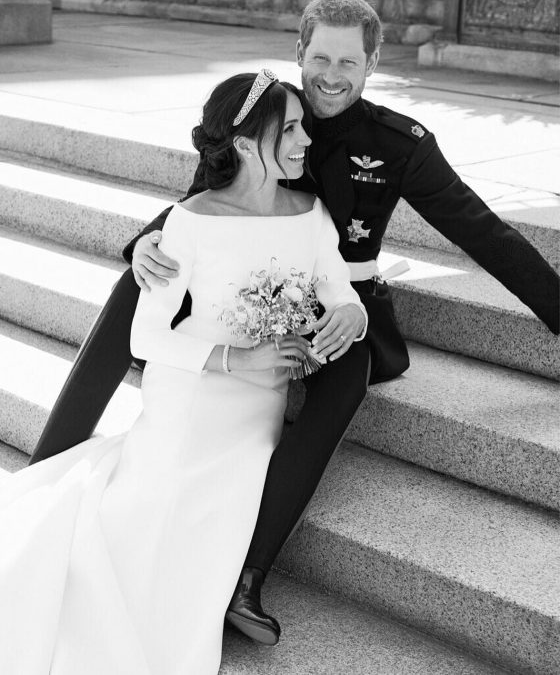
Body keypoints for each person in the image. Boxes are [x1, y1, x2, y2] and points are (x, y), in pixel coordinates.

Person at [29, 0, 559, 647]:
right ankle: (47, 465)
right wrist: (145, 241)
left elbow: (485, 232)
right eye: (320, 59)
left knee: (351, 370)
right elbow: (208, 202)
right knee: (134, 285)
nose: (332, 77)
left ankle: (247, 576)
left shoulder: (399, 145)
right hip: (250, 290)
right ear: (300, 53)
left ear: (373, 65)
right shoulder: (266, 111)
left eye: (350, 62)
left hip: (338, 298)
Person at [0, 71, 367, 674]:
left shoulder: (310, 209)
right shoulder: (191, 220)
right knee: (150, 517)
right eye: (293, 129)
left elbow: (335, 285)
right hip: (192, 390)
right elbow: (146, 335)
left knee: (227, 499)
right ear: (247, 144)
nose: (307, 141)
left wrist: (349, 316)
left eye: (304, 127)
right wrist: (235, 357)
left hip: (258, 405)